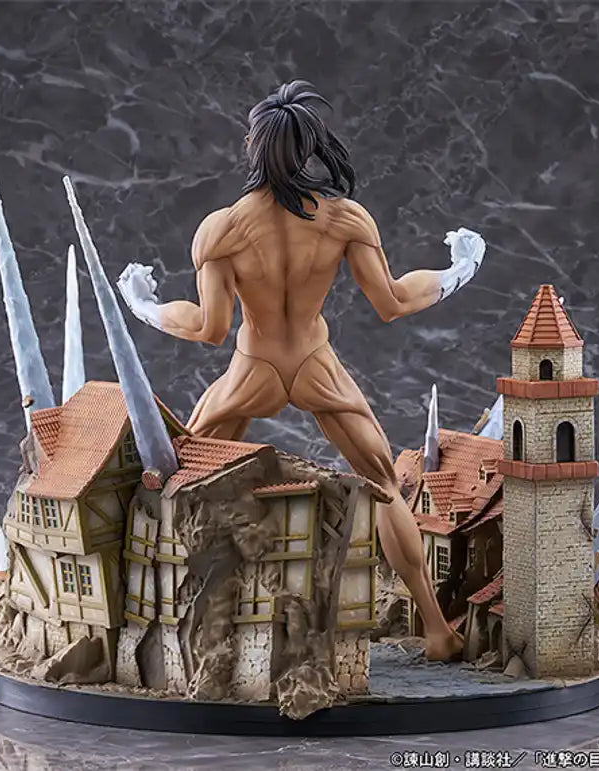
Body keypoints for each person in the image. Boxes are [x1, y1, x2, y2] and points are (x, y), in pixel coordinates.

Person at [118, 80, 485, 660]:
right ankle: (439, 631)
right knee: (384, 486)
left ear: (253, 146)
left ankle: (160, 626)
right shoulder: (344, 218)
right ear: (311, 146)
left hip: (254, 368)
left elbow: (208, 328)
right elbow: (392, 301)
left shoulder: (223, 229)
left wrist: (144, 305)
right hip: (315, 364)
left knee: (179, 480)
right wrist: (456, 272)